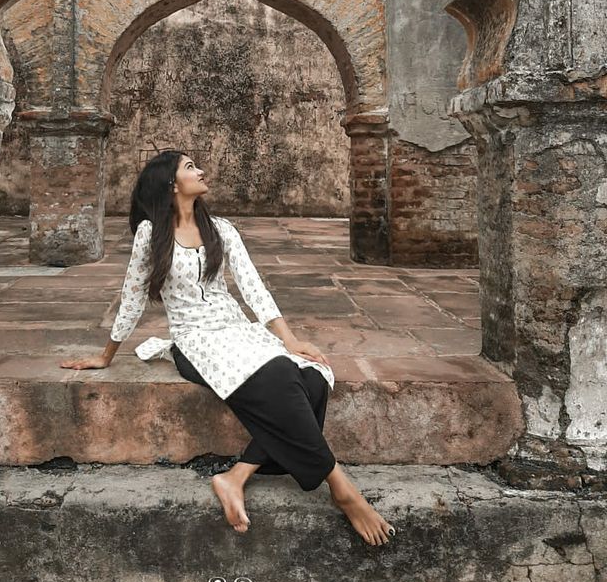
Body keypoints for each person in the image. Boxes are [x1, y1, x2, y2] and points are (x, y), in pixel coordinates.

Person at [61, 149, 394, 546]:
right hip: (196, 342)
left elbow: (253, 286)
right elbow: (131, 297)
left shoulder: (221, 228)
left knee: (312, 377)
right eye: (189, 167)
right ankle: (342, 488)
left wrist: (289, 339)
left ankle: (236, 477)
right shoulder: (151, 234)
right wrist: (105, 356)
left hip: (238, 330)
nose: (200, 170)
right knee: (282, 378)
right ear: (171, 184)